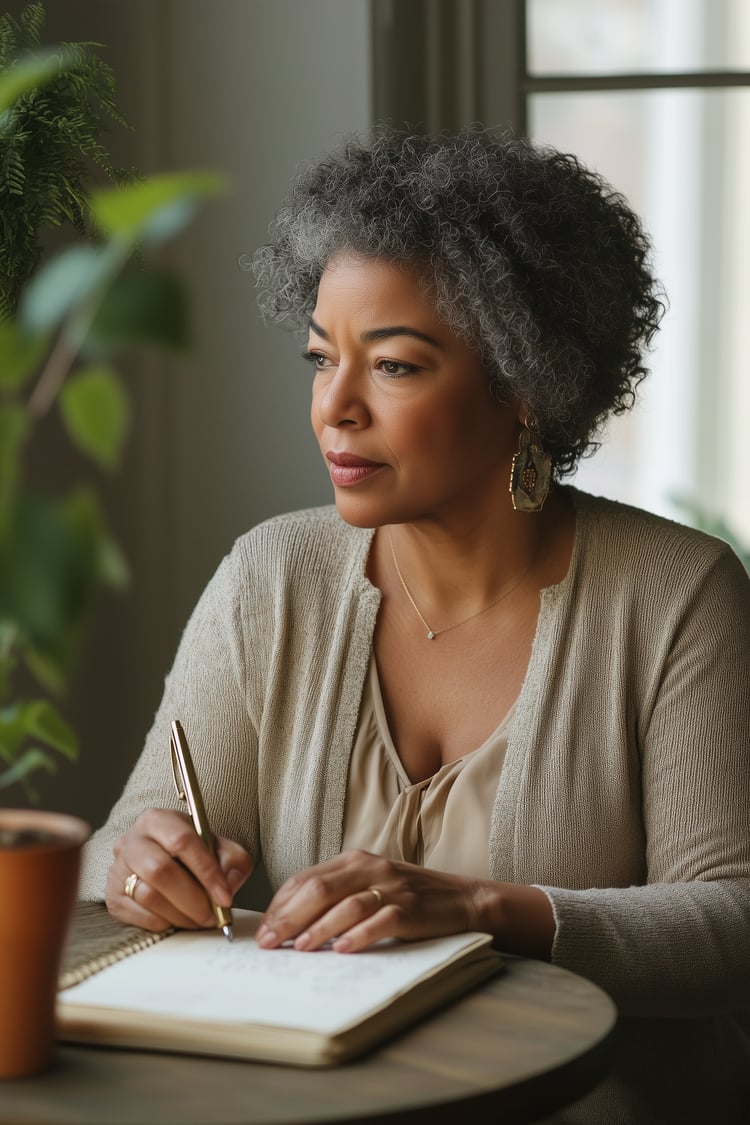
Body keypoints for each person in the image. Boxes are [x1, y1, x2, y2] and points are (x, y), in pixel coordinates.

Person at [80, 129, 750, 1123]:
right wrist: (144, 867)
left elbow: (730, 923)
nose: (333, 409)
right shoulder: (272, 575)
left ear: (527, 382)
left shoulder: (676, 590)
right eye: (321, 358)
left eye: (392, 366)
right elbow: (116, 846)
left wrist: (484, 908)